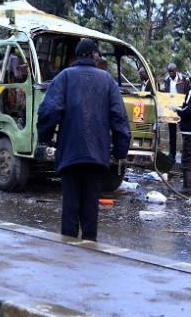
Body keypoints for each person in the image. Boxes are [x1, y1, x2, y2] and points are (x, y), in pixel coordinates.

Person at [37, 38, 131, 242]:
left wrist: (43, 139)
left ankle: (69, 249)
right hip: (97, 154)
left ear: (77, 56)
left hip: (70, 152)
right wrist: (120, 152)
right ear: (94, 55)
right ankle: (89, 246)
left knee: (70, 205)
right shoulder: (107, 81)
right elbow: (119, 119)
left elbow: (49, 111)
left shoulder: (64, 77)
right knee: (91, 207)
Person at [161, 63, 190, 160]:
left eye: (172, 71)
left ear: (176, 70)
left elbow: (187, 92)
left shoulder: (184, 79)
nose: (170, 73)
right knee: (172, 132)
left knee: (184, 131)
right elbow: (164, 93)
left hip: (181, 108)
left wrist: (185, 105)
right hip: (171, 109)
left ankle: (185, 153)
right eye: (169, 71)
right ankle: (172, 154)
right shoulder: (166, 80)